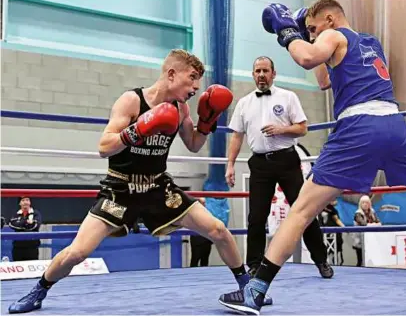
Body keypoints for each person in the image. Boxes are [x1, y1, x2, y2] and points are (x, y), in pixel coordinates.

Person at [218, 0, 406, 314]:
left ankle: (255, 292)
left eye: (314, 29)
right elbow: (325, 79)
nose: (311, 35)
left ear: (329, 19)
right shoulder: (371, 42)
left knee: (300, 212)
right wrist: (306, 34)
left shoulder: (335, 35)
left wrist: (288, 33)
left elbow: (308, 58)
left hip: (359, 127)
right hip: (395, 127)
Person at [8, 49, 272, 314]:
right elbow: (104, 146)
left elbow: (193, 144)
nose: (195, 88)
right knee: (78, 252)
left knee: (217, 230)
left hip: (158, 187)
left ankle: (247, 288)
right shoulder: (132, 101)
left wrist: (206, 122)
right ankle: (39, 290)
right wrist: (140, 129)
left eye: (198, 83)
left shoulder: (181, 109)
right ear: (171, 74)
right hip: (120, 188)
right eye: (191, 78)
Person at [225, 56, 333, 278]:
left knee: (305, 211)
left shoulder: (288, 96)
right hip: (260, 164)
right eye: (257, 71)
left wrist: (281, 129)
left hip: (287, 160)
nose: (261, 75)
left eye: (265, 70)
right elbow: (236, 137)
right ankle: (254, 265)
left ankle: (321, 260)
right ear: (253, 74)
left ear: (273, 74)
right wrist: (230, 165)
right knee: (256, 217)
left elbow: (302, 129)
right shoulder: (244, 103)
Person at [8, 196, 42, 261]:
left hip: (32, 247)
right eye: (23, 200)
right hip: (17, 247)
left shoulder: (36, 213)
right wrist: (26, 222)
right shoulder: (16, 214)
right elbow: (11, 224)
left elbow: (35, 226)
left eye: (27, 200)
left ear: (30, 202)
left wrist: (20, 224)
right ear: (20, 203)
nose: (25, 202)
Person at [352, 195, 381, 267]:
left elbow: (379, 223)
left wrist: (374, 224)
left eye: (367, 202)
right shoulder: (358, 213)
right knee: (360, 261)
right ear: (360, 204)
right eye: (363, 203)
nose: (365, 204)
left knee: (371, 260)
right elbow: (363, 224)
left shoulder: (372, 212)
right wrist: (374, 224)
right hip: (359, 241)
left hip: (371, 240)